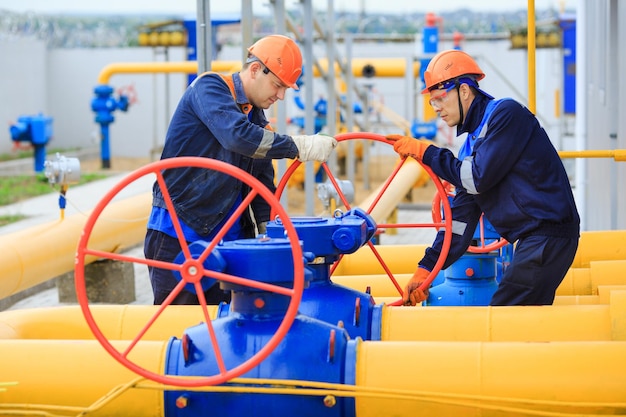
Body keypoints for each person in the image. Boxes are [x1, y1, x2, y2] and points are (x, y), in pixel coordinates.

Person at [144, 34, 337, 305]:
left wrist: (268, 235)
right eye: (278, 85)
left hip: (230, 242)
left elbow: (261, 184)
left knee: (228, 329)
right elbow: (236, 137)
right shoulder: (209, 89)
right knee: (179, 328)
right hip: (181, 235)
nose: (281, 96)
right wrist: (298, 146)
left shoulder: (255, 117)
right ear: (256, 69)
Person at [387, 49, 580, 306]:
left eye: (440, 99)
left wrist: (426, 153)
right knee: (521, 326)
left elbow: (477, 178)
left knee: (503, 320)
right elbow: (460, 222)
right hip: (534, 240)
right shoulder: (471, 147)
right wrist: (426, 271)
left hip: (548, 235)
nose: (436, 109)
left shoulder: (506, 115)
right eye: (432, 102)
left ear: (464, 91)